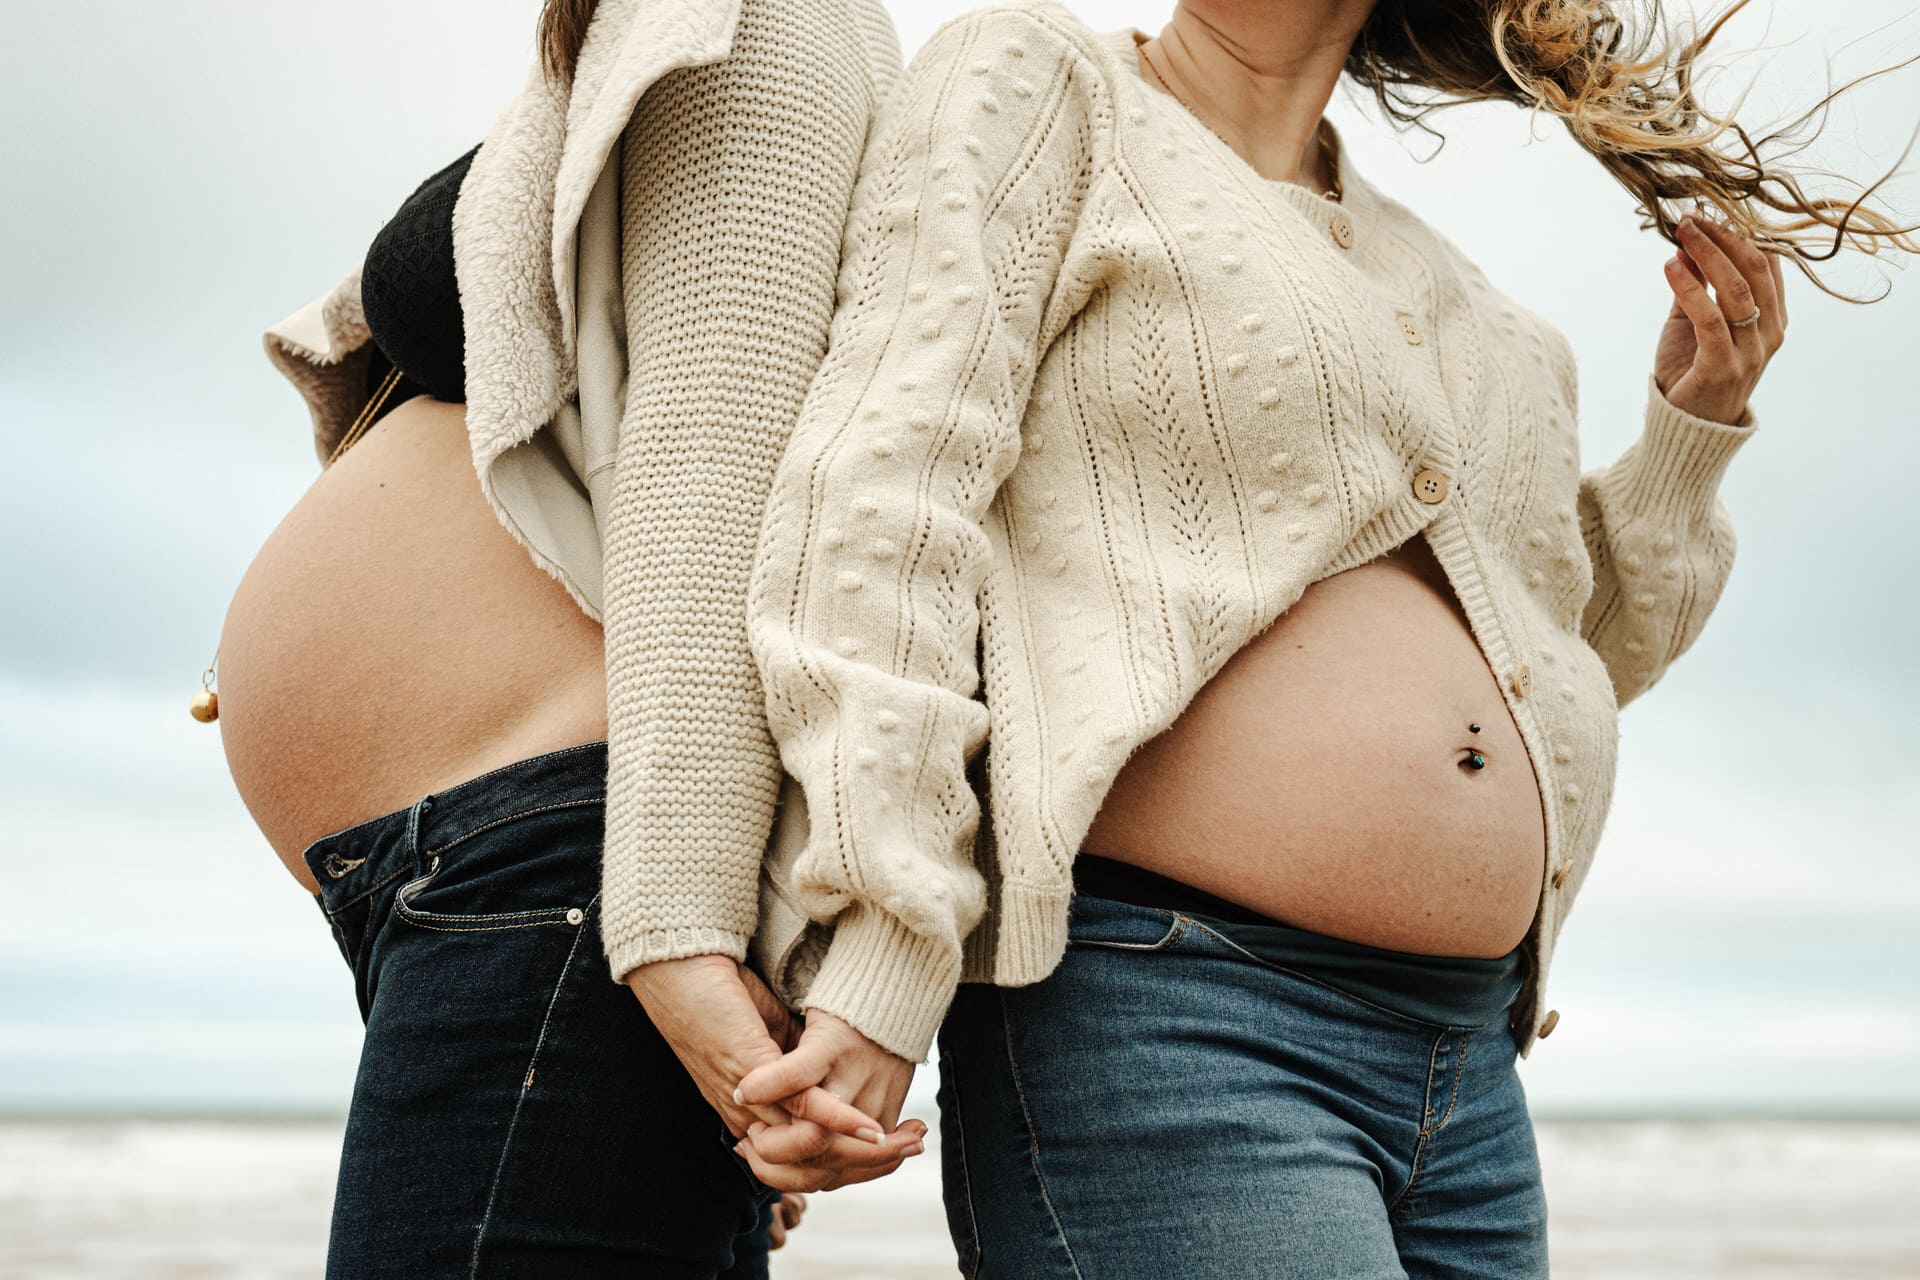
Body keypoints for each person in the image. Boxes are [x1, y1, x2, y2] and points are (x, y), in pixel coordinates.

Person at [727, 0, 1919, 1270]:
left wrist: (1690, 433)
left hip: (1470, 1072)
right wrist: (886, 936)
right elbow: (886, 504)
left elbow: (1570, 666)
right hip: (1176, 1016)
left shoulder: (1470, 303)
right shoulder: (1042, 87)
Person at [214, 0, 926, 1273]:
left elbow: (715, 475)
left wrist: (677, 946)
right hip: (516, 891)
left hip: (571, 887)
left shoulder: (761, 18)